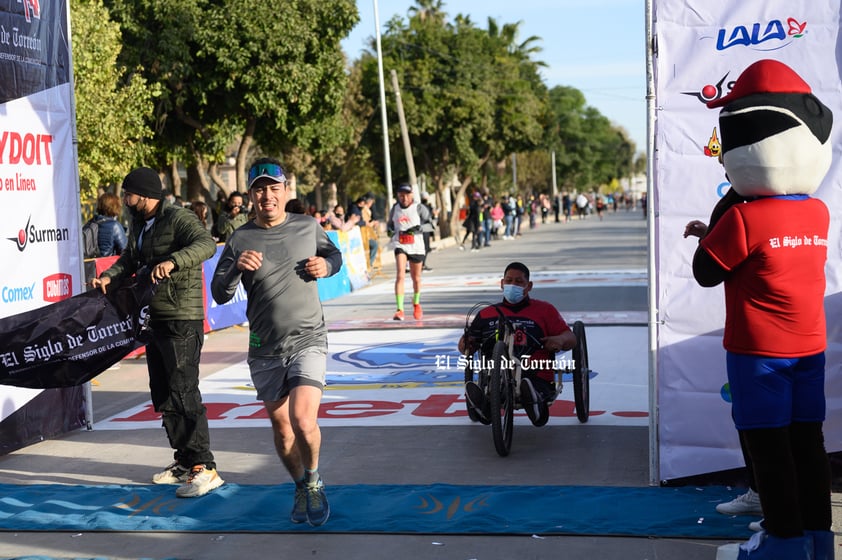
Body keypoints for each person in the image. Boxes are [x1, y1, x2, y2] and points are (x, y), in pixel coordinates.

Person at [692, 60, 834, 559]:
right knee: (808, 448)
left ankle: (781, 546)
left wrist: (720, 212)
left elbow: (705, 270)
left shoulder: (743, 219)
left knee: (770, 453)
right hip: (809, 348)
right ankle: (820, 542)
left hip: (759, 354)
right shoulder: (818, 211)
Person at [211, 157, 342, 527]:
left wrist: (326, 266)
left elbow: (334, 254)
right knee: (282, 429)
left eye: (273, 188)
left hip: (308, 338)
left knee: (302, 419)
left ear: (285, 191)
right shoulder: (240, 238)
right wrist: (236, 267)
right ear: (251, 195)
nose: (267, 195)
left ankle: (314, 480)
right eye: (259, 189)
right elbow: (219, 294)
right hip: (265, 347)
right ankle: (300, 484)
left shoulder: (306, 226)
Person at [90, 167, 222, 498]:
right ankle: (183, 461)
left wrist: (175, 261)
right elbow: (131, 259)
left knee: (183, 391)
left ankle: (204, 467)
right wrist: (111, 277)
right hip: (154, 318)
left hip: (182, 317)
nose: (124, 199)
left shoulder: (178, 218)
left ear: (145, 194)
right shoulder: (139, 224)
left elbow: (206, 244)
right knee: (164, 392)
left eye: (128, 193)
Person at [458, 262, 577, 426]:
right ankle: (484, 409)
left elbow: (571, 337)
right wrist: (466, 344)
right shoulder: (486, 314)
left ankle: (535, 403)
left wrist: (560, 340)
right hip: (495, 377)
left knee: (530, 386)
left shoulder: (544, 310)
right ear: (502, 284)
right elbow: (465, 346)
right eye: (509, 281)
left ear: (529, 286)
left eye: (519, 282)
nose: (513, 285)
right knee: (492, 389)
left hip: (535, 373)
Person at [387, 184, 432, 321]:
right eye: (401, 195)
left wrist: (418, 228)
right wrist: (389, 231)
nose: (404, 198)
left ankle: (416, 304)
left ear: (412, 195)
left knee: (416, 278)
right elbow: (390, 225)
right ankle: (399, 310)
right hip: (400, 244)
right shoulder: (395, 208)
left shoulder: (419, 208)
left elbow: (431, 225)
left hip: (416, 246)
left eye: (406, 195)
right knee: (400, 274)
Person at [92, 192, 128, 257]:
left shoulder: (92, 222)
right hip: (107, 265)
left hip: (90, 265)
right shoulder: (114, 226)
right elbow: (125, 251)